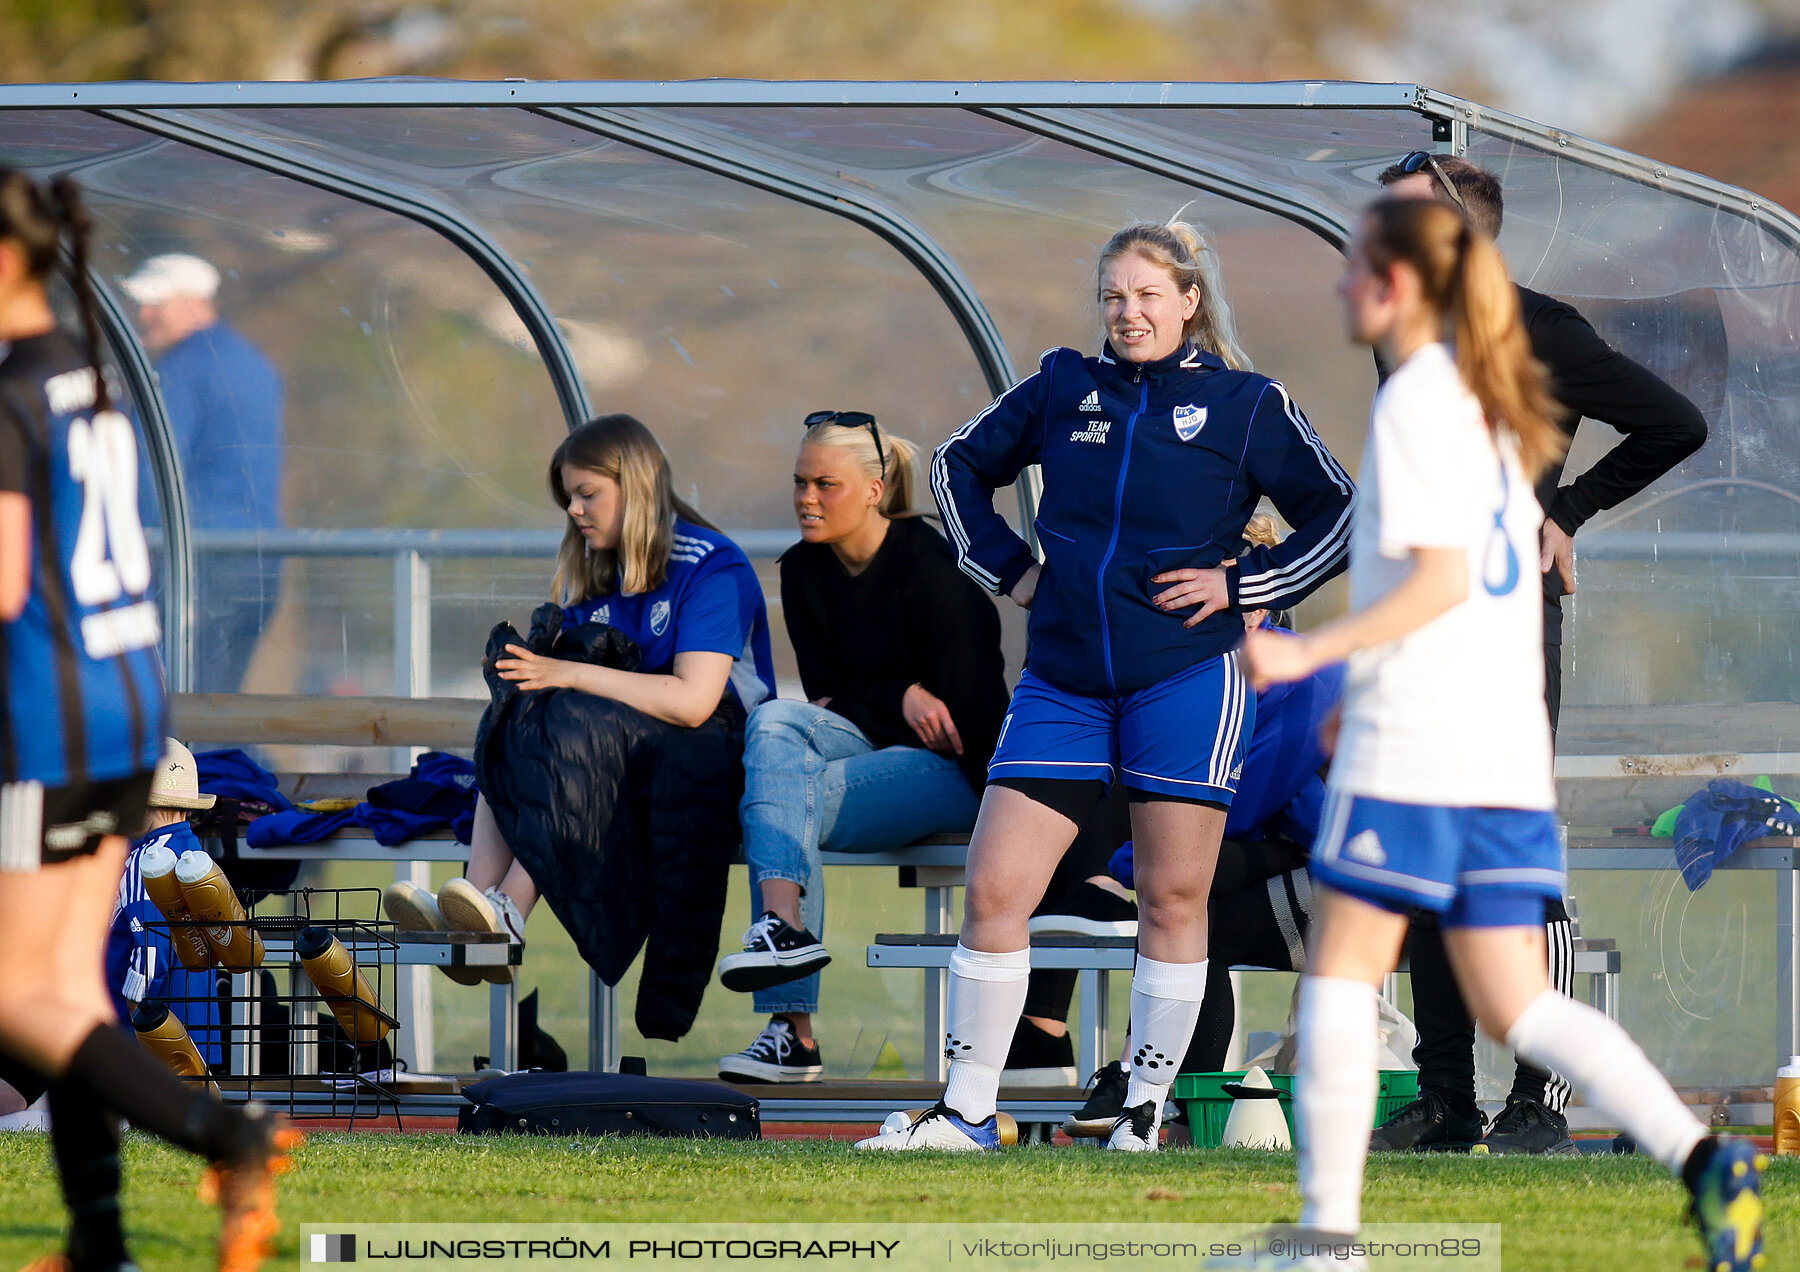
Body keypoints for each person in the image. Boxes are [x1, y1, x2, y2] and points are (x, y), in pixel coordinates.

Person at [1231, 195, 1761, 1272]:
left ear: (1401, 283)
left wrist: (1314, 657)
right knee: (1516, 999)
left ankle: (1325, 1239)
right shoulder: (1484, 390)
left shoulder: (1428, 394)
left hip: (1424, 733)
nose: (1342, 285)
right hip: (1496, 731)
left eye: (1357, 266)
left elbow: (1439, 577)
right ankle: (1706, 1165)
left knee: (1340, 972)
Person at [857, 215, 1355, 1152]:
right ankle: (966, 1112)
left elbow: (1344, 515)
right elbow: (955, 466)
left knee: (1172, 899)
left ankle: (1143, 1115)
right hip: (1063, 682)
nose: (1129, 315)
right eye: (1114, 298)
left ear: (1189, 303)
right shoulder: (1061, 385)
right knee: (996, 890)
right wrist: (1012, 571)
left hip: (1187, 679)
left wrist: (1245, 584)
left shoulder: (1250, 404)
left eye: (1148, 297)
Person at [1372, 152, 1709, 1155]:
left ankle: (1538, 1102)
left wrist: (1565, 512)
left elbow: (1674, 422)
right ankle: (1445, 1103)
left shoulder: (1544, 330)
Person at [0, 170, 297, 1272]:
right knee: (65, 985)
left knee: (18, 996)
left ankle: (230, 1132)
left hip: (44, 720)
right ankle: (101, 1240)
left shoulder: (15, 391)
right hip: (125, 708)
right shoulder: (87, 374)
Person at [384, 415, 774, 1015]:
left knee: (568, 730)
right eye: (569, 497)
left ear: (636, 487)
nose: (574, 510)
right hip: (627, 751)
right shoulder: (602, 570)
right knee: (519, 716)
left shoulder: (710, 564)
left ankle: (508, 911)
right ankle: (478, 907)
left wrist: (566, 673)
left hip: (713, 757)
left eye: (587, 493)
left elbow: (695, 702)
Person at [714, 410, 1008, 1083]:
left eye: (825, 484)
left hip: (956, 772)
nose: (806, 499)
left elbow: (974, 716)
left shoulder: (937, 571)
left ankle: (792, 1032)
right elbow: (825, 695)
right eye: (798, 483)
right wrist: (901, 692)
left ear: (875, 490)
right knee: (776, 723)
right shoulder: (803, 571)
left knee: (781, 801)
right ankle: (782, 930)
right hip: (862, 741)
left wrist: (888, 698)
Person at [120, 252, 284, 693]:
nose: (144, 314)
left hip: (193, 565)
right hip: (258, 564)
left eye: (157, 303)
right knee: (220, 706)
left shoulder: (178, 372)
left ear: (196, 302)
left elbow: (146, 472)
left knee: (177, 710)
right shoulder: (253, 365)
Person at [107, 738, 224, 1068]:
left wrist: (133, 1003)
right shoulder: (196, 855)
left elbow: (149, 942)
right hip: (192, 1019)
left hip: (146, 1031)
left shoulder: (147, 861)